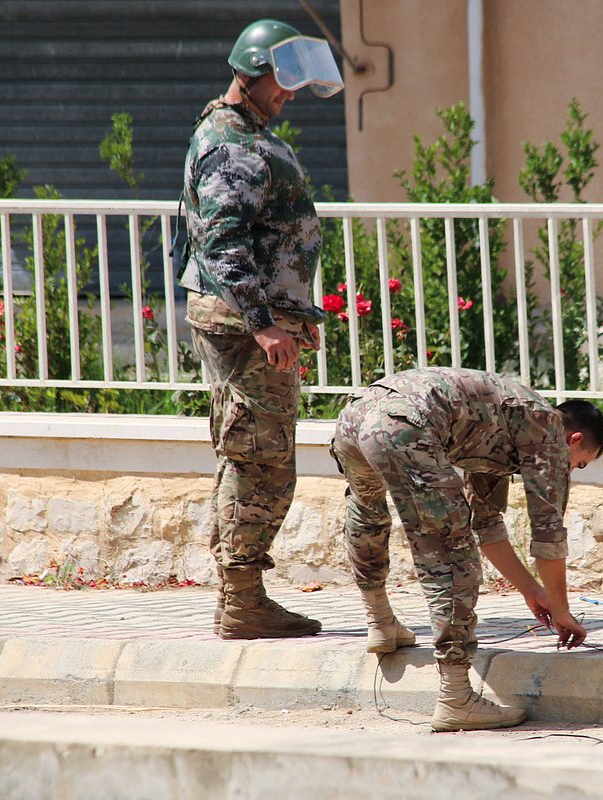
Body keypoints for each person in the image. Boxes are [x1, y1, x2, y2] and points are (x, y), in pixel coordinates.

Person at [178, 19, 344, 640]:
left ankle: (240, 596)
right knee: (259, 462)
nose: (289, 95)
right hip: (248, 330)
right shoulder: (232, 143)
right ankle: (243, 599)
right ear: (251, 72)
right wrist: (265, 324)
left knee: (251, 456)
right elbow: (221, 243)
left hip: (252, 325)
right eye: (282, 82)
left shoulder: (240, 131)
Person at [329, 367, 603, 732]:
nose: (573, 469)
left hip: (358, 414)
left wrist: (532, 591)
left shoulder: (502, 422)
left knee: (367, 513)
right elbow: (548, 535)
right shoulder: (547, 432)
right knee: (450, 554)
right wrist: (562, 610)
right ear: (574, 439)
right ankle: (456, 697)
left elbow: (488, 526)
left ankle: (380, 622)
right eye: (581, 462)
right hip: (406, 424)